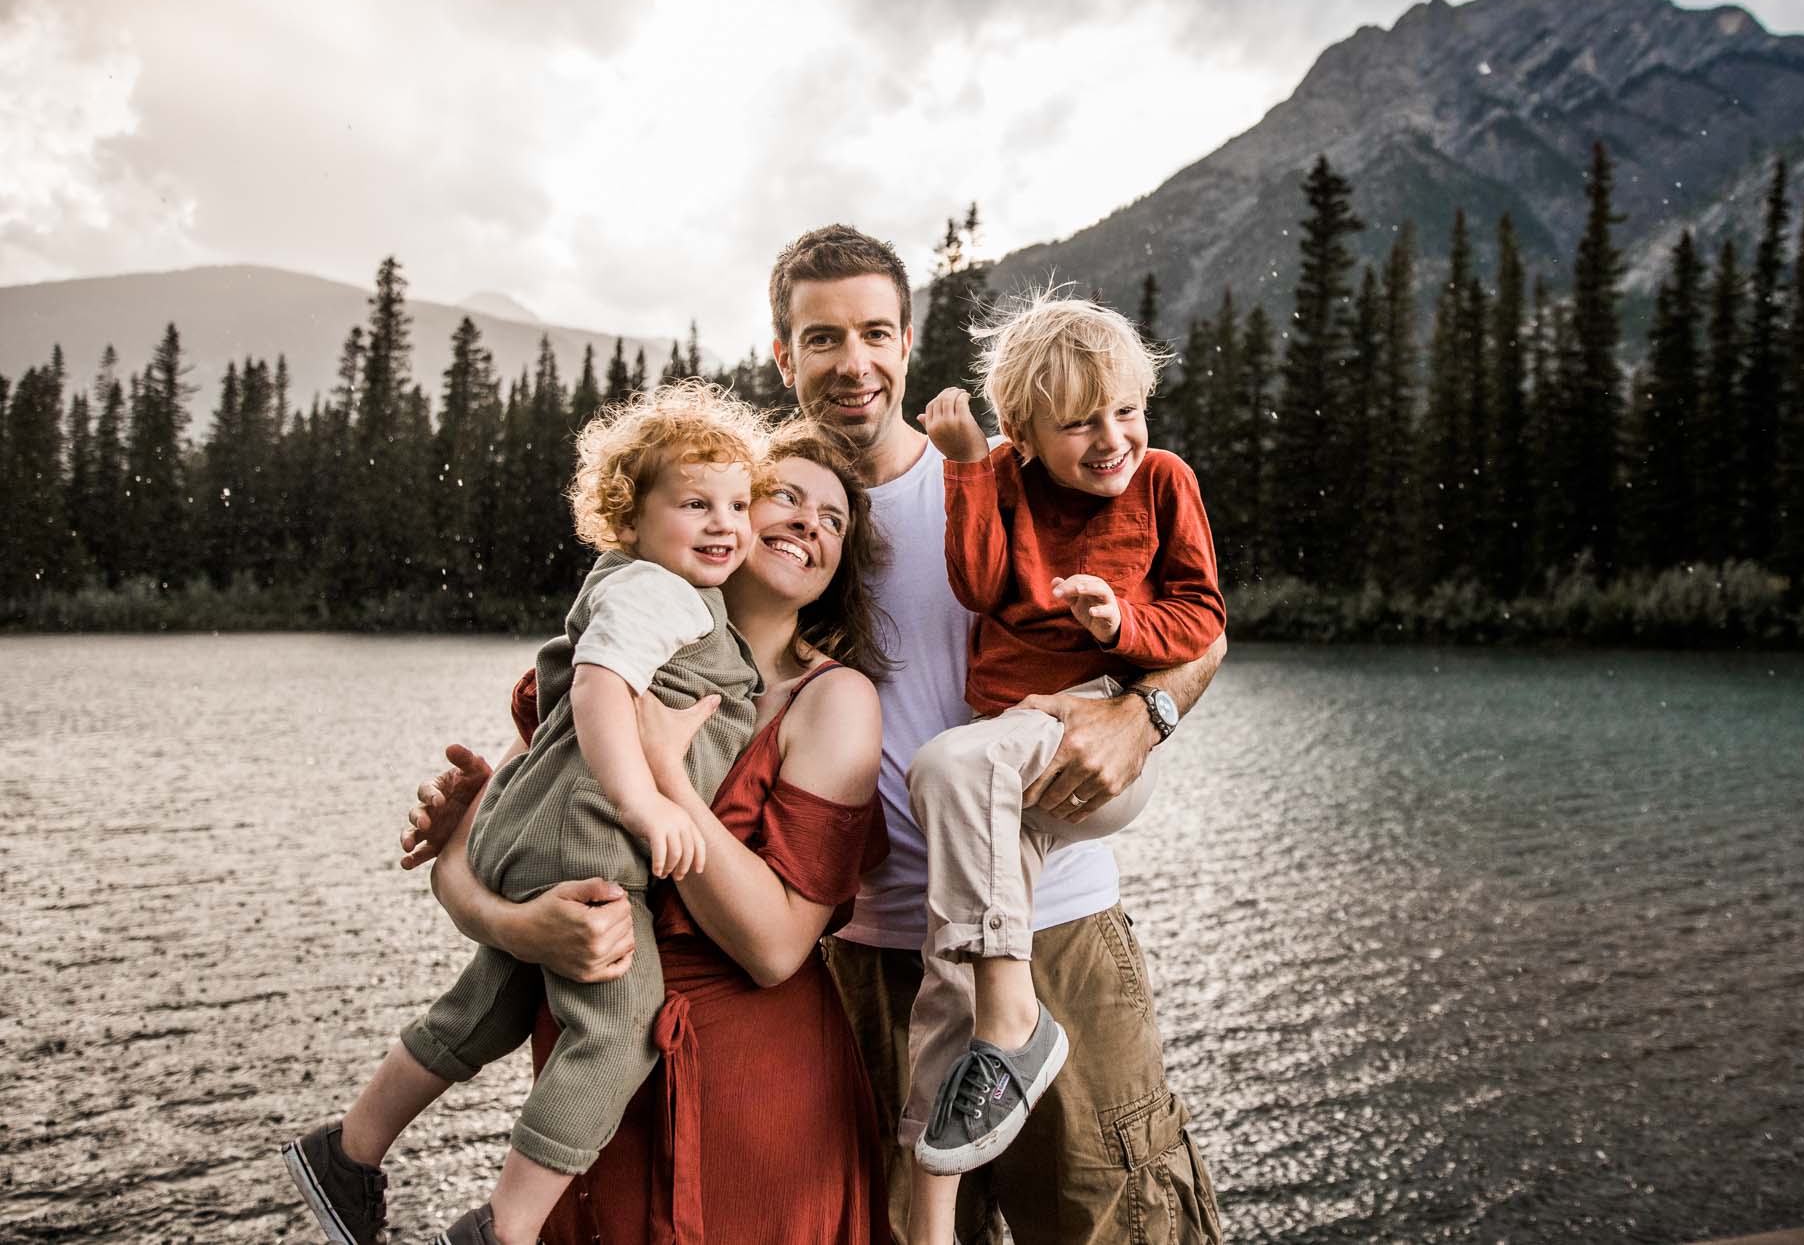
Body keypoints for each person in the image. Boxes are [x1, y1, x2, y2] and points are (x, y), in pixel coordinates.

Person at [768, 225, 1227, 1243]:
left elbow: (1199, 625)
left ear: (904, 338)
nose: (852, 361)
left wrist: (1142, 714)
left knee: (1117, 1221)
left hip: (1054, 928)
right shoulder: (774, 519)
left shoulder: (999, 477)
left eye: (873, 332)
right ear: (781, 354)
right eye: (820, 338)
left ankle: (1014, 1022)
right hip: (860, 955)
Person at [286, 383, 770, 1245]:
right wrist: (638, 798)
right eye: (694, 502)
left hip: (535, 821)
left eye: (737, 503)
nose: (723, 521)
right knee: (621, 1026)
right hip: (585, 826)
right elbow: (597, 686)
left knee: (492, 1002)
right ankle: (502, 1232)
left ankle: (348, 1151)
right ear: (628, 517)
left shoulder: (672, 592)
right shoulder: (659, 593)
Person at [404, 418, 896, 1243]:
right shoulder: (615, 653)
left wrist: (668, 775)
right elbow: (462, 871)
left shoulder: (835, 701)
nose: (811, 524)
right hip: (586, 1094)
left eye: (835, 520)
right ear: (729, 512)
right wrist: (522, 926)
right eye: (786, 497)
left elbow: (776, 948)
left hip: (754, 1096)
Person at [900, 291, 1227, 1237]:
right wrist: (966, 467)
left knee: (947, 769)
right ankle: (934, 1188)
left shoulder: (1165, 481)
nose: (1111, 437)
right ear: (1026, 432)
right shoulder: (1000, 474)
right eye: (1080, 421)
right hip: (1016, 751)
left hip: (1093, 732)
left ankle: (1015, 1016)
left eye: (1126, 410)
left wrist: (1124, 628)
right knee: (942, 984)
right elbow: (979, 579)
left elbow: (1202, 615)